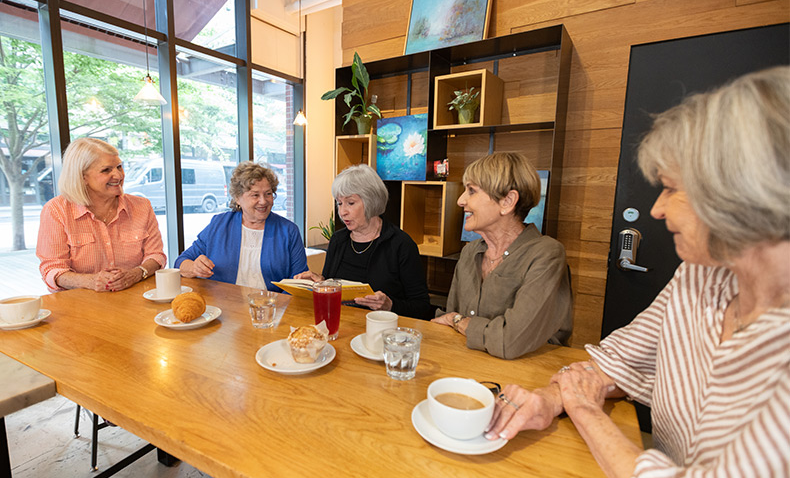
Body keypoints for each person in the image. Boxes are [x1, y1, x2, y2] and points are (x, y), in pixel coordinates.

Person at [486, 67, 790, 478]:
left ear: (742, 191)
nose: (657, 211)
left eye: (669, 189)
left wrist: (586, 412)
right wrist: (548, 401)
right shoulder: (699, 276)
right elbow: (615, 361)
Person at [432, 152, 572, 359]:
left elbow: (510, 341)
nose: (460, 200)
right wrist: (458, 322)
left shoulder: (547, 254)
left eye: (472, 191)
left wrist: (459, 322)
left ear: (507, 201)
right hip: (467, 367)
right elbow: (450, 321)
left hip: (525, 376)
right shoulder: (470, 251)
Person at [296, 164, 433, 320]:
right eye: (339, 203)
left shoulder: (401, 245)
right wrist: (322, 283)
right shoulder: (338, 240)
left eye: (350, 203)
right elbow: (333, 288)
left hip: (382, 332)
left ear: (371, 201)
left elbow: (421, 306)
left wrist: (390, 305)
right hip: (341, 327)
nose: (342, 212)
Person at [37, 138, 166, 292]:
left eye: (119, 167)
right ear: (83, 177)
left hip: (134, 301)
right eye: (106, 170)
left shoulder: (142, 206)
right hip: (79, 305)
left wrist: (136, 274)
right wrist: (90, 281)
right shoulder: (56, 211)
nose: (118, 175)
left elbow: (156, 256)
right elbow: (52, 269)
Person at [175, 161, 307, 291]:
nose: (263, 201)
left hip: (271, 307)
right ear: (238, 198)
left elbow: (299, 281)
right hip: (224, 304)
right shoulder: (219, 224)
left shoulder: (288, 230)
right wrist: (194, 267)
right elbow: (181, 261)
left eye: (268, 194)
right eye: (255, 195)